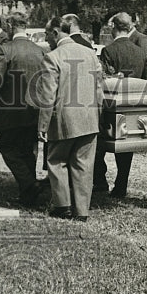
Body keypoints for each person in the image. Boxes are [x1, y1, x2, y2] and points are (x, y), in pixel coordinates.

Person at [27, 14, 102, 221]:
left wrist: (42, 126)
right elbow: (99, 91)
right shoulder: (90, 54)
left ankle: (62, 207)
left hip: (63, 121)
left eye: (47, 33)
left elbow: (47, 96)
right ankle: (82, 211)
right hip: (89, 120)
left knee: (56, 161)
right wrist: (97, 116)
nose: (46, 38)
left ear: (55, 32)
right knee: (84, 165)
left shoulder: (53, 57)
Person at [0, 12, 45, 206]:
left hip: (11, 110)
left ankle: (29, 185)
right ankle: (28, 194)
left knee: (7, 147)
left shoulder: (6, 49)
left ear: (10, 27)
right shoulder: (40, 50)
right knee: (28, 150)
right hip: (35, 109)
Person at [93, 12, 147, 198]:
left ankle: (100, 181)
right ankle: (121, 184)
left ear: (113, 28)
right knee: (126, 148)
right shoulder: (140, 52)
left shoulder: (109, 50)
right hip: (133, 105)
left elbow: (102, 81)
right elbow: (145, 80)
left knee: (99, 145)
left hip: (111, 105)